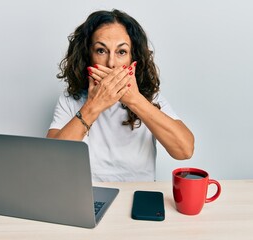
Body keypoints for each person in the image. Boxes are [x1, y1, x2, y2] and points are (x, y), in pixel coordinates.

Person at [47, 9, 194, 182]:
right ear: (88, 55)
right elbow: (51, 161)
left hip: (139, 193)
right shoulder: (70, 100)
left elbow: (185, 151)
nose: (111, 63)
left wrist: (135, 100)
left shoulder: (150, 99)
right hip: (88, 195)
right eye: (101, 50)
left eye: (121, 52)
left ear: (133, 58)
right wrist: (94, 105)